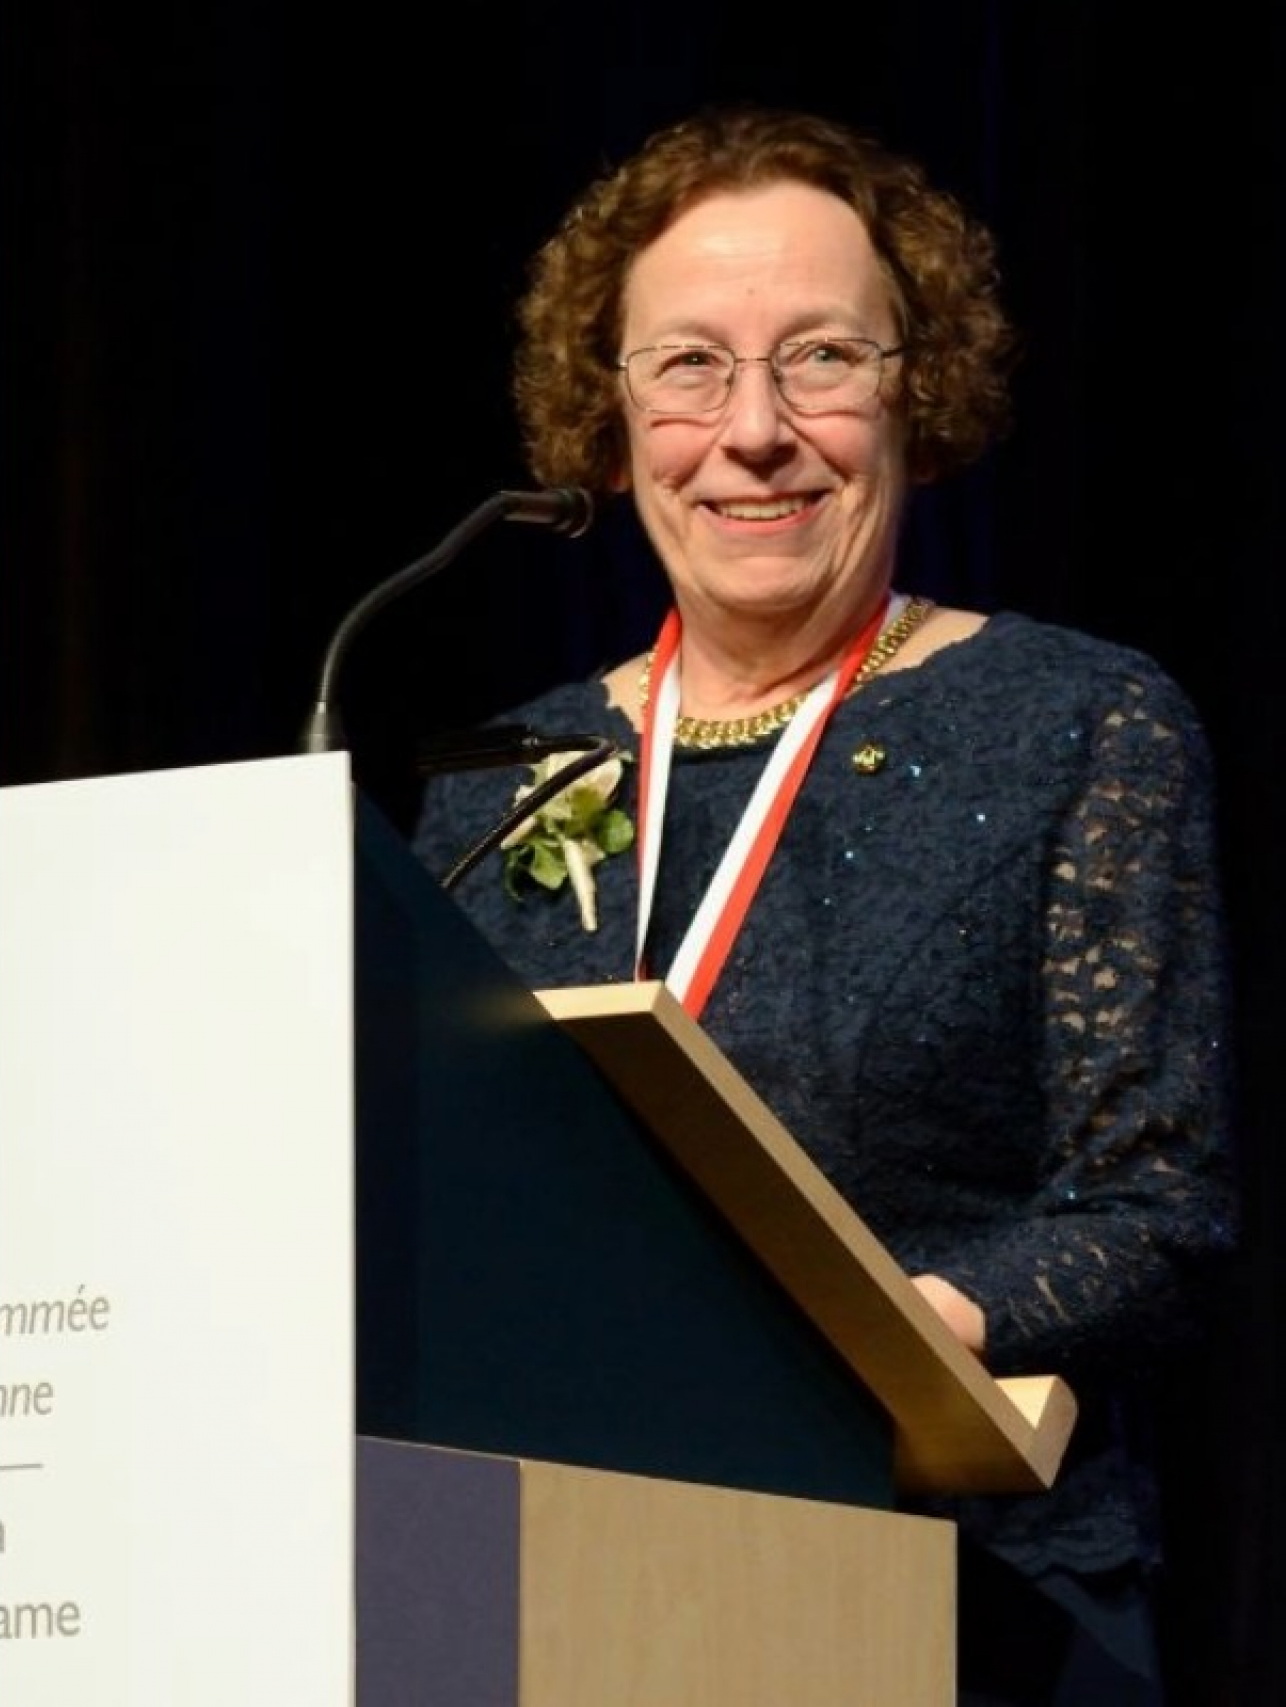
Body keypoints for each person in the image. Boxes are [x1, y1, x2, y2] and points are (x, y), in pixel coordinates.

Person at [408, 106, 1236, 1705]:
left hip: (955, 1593)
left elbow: (1161, 1219)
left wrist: (882, 1331)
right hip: (570, 1592)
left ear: (919, 390)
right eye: (690, 366)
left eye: (822, 360)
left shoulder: (1081, 723)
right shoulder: (510, 772)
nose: (756, 429)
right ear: (610, 410)